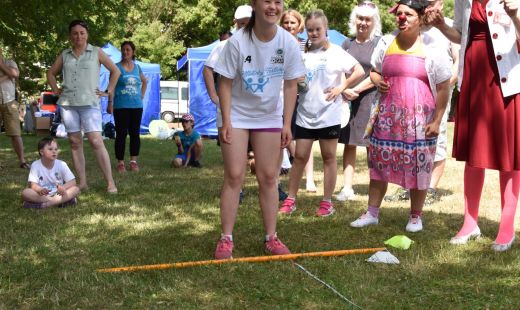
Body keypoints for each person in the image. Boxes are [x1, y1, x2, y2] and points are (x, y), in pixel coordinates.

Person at [213, 0, 306, 259]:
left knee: (268, 177)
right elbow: (225, 83)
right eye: (267, 1)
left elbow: (290, 85)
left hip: (269, 116)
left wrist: (286, 123)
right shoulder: (237, 42)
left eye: (278, 2)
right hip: (237, 115)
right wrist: (227, 121)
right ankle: (226, 239)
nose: (273, 7)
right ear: (255, 4)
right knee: (234, 175)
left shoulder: (288, 42)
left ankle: (271, 238)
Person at [350, 0, 451, 232]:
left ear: (420, 18)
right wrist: (377, 81)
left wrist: (436, 120)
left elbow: (444, 87)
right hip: (386, 118)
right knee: (378, 165)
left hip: (420, 121)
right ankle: (372, 213)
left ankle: (415, 217)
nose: (402, 18)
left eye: (408, 14)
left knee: (419, 168)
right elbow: (374, 72)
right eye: (399, 14)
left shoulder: (432, 47)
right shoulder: (386, 42)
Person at [428, 0, 520, 251]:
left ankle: (506, 227)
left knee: (509, 155)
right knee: (474, 154)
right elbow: (461, 34)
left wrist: (515, 16)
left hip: (506, 78)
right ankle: (470, 223)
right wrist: (440, 25)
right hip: (474, 74)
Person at [279, 9, 364, 217]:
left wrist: (341, 87)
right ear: (305, 30)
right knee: (299, 156)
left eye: (318, 29)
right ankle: (291, 199)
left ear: (325, 29)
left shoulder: (336, 52)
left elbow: (359, 70)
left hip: (329, 115)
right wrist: (299, 83)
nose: (314, 33)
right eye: (310, 30)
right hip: (305, 114)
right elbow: (295, 82)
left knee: (328, 157)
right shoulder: (301, 54)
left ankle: (327, 202)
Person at [384, 0, 460, 205]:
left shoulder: (448, 26)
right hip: (410, 96)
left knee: (437, 139)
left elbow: (457, 60)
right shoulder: (411, 25)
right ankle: (408, 187)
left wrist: (445, 85)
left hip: (438, 93)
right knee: (407, 142)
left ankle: (431, 188)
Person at [47, 20, 120, 193]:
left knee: (96, 141)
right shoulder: (65, 54)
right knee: (74, 142)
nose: (78, 36)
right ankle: (82, 183)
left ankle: (110, 183)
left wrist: (109, 90)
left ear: (87, 34)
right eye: (75, 33)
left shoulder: (96, 52)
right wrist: (56, 89)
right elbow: (50, 72)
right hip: (68, 105)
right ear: (70, 36)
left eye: (82, 32)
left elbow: (115, 71)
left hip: (90, 103)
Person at [336, 1, 383, 201]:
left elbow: (379, 73)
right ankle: (347, 188)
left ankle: (375, 185)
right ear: (354, 20)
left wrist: (355, 89)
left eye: (367, 19)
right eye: (360, 18)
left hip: (369, 99)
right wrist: (344, 89)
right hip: (348, 100)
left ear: (374, 22)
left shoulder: (379, 43)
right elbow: (339, 70)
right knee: (349, 142)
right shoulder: (347, 43)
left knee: (371, 145)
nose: (363, 23)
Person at [280, 9, 317, 192]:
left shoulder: (307, 44)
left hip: (302, 97)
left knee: (305, 138)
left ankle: (309, 178)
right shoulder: (276, 43)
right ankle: (295, 164)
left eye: (292, 22)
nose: (289, 26)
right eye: (286, 22)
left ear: (299, 25)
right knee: (285, 136)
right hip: (281, 97)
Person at [112, 41, 147, 173]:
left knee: (135, 134)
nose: (125, 52)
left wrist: (141, 96)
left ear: (133, 52)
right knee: (121, 134)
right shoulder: (116, 67)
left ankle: (133, 161)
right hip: (120, 106)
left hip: (136, 106)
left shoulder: (137, 67)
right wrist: (110, 103)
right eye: (123, 50)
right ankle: (120, 163)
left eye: (128, 50)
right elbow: (112, 86)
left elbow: (144, 81)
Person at [21, 137, 80, 209]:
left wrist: (63, 187)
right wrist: (40, 190)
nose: (54, 151)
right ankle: (61, 202)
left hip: (59, 194)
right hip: (43, 196)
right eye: (50, 149)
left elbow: (73, 182)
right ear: (42, 152)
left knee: (75, 189)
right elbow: (33, 185)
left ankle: (43, 206)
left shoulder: (62, 164)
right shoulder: (35, 165)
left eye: (56, 149)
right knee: (26, 192)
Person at [0, 49, 30, 169]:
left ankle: (22, 161)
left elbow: (15, 74)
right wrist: (7, 75)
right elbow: (12, 74)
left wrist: (1, 65)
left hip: (10, 102)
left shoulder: (10, 62)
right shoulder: (9, 67)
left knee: (15, 134)